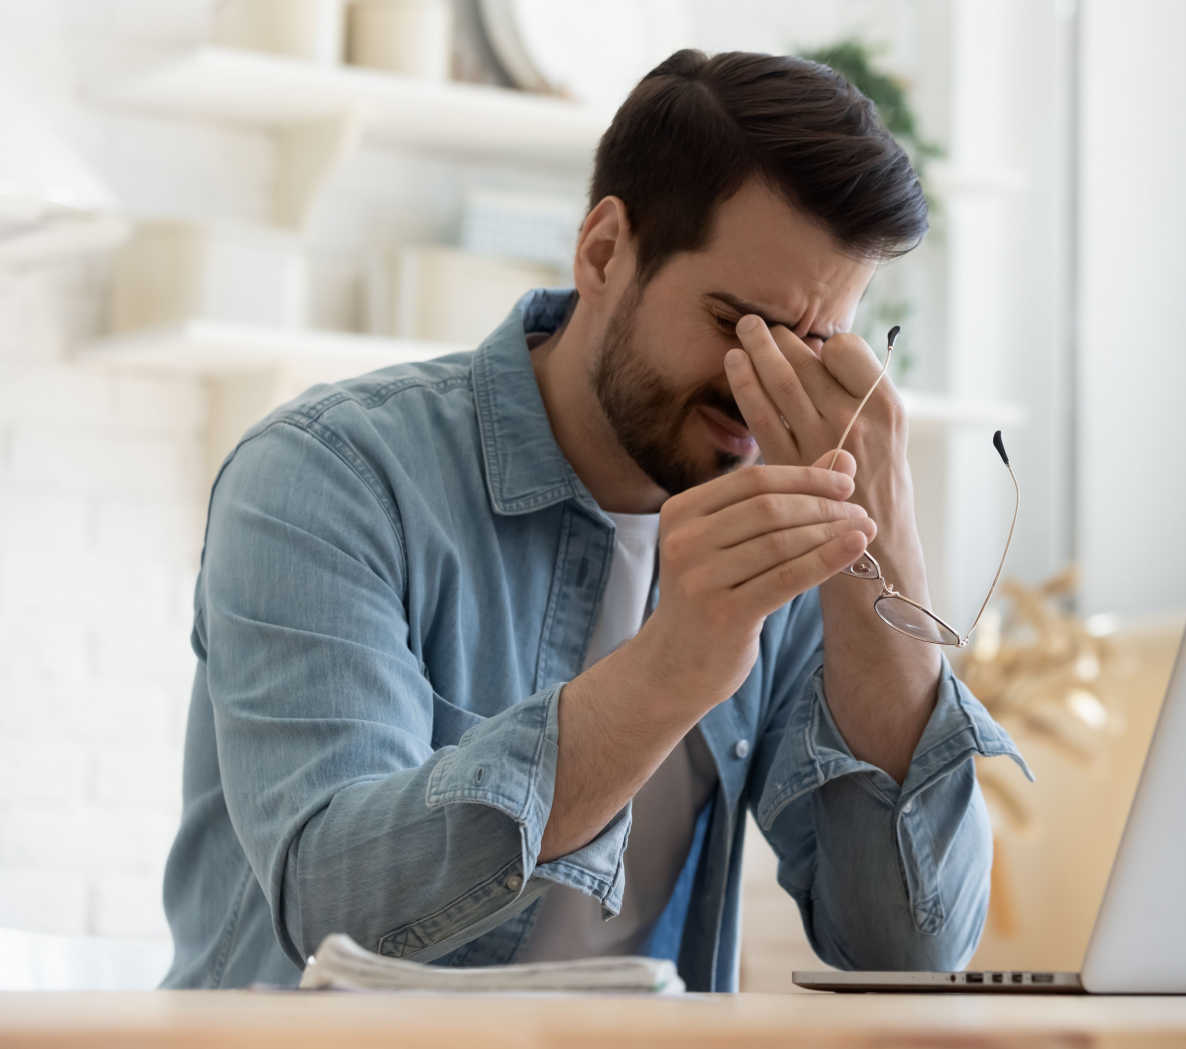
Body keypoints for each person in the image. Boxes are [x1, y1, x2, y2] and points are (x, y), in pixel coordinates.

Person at [161, 48, 1026, 991]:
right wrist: (674, 665)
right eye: (737, 322)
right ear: (605, 250)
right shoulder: (330, 476)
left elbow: (912, 954)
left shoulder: (799, 536)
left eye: (812, 345)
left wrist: (885, 568)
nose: (760, 384)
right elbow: (336, 911)